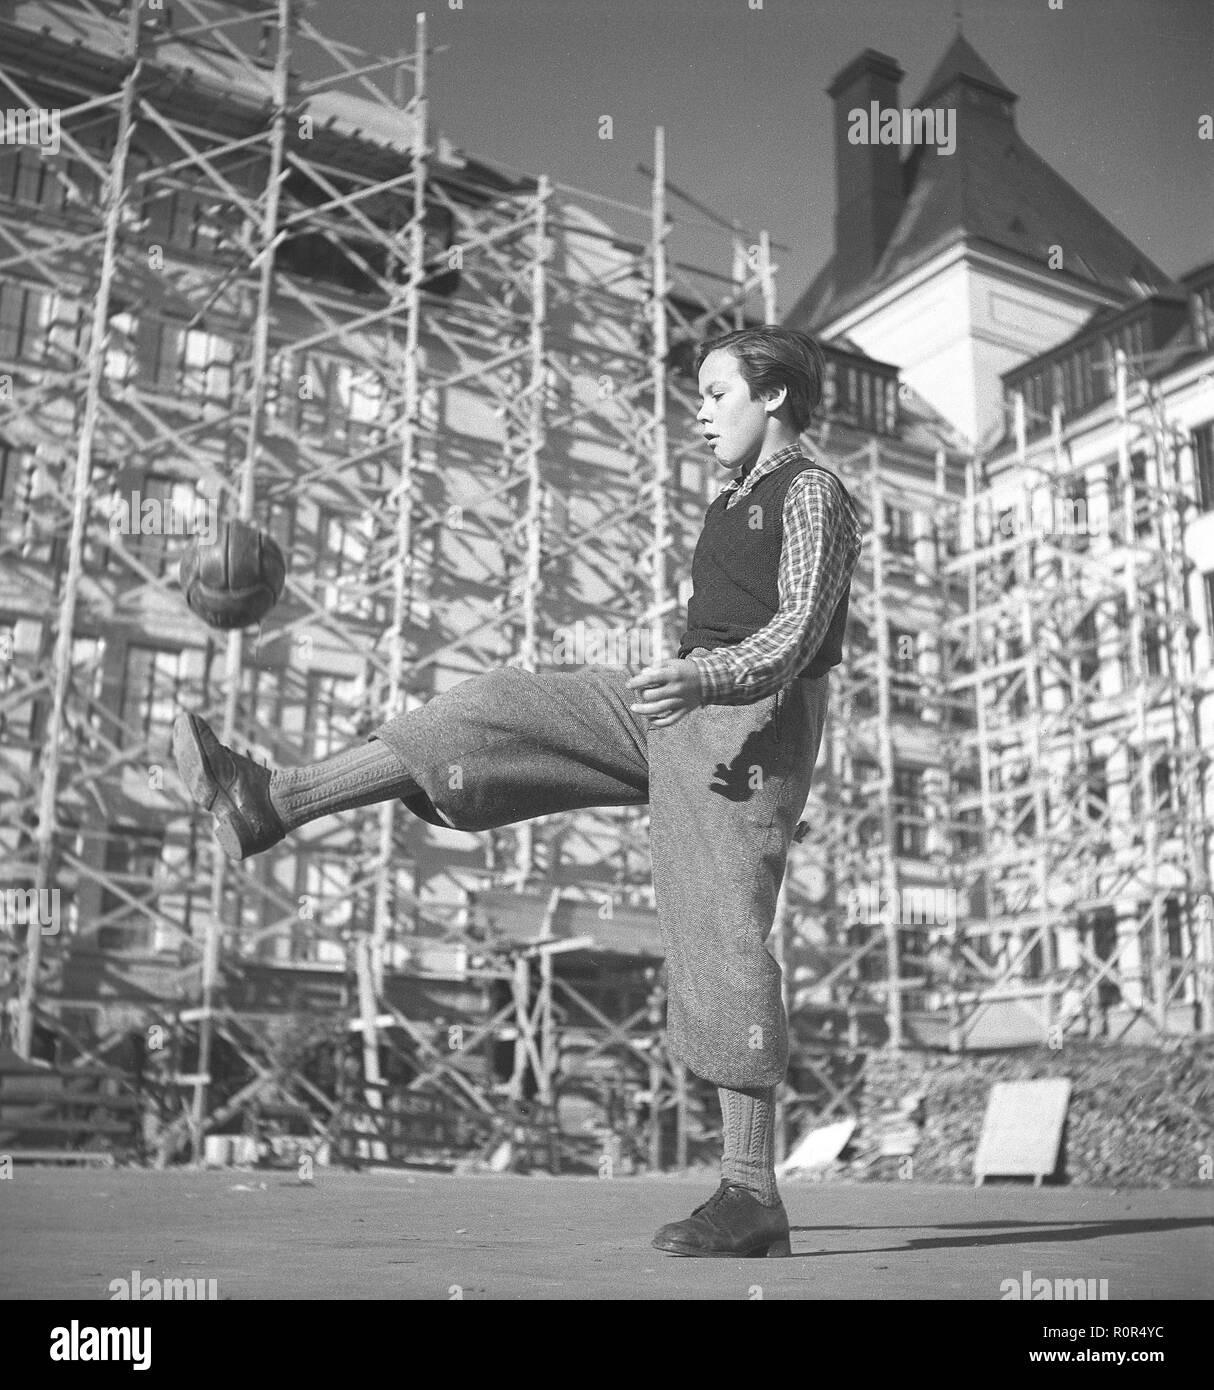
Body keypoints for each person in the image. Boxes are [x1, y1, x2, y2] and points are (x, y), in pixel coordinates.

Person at [174, 325, 863, 1257]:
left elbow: (798, 627)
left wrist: (709, 680)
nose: (698, 416)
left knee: (718, 928)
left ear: (774, 397)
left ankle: (751, 1195)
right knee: (494, 710)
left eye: (714, 394)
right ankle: (273, 801)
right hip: (681, 698)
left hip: (751, 722)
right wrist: (691, 679)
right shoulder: (729, 500)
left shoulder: (813, 492)